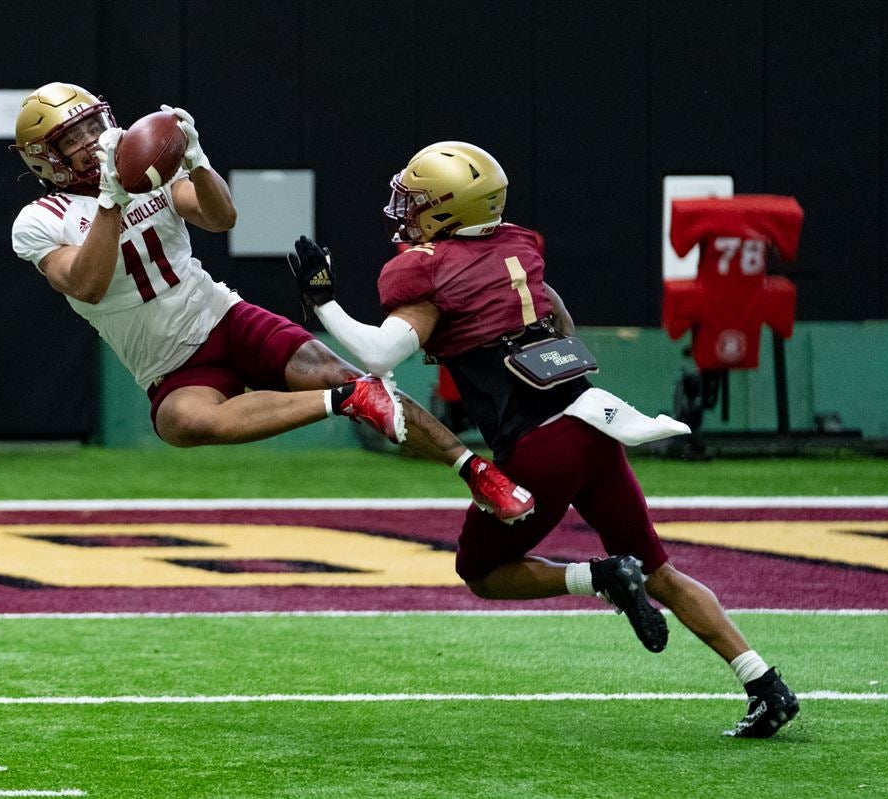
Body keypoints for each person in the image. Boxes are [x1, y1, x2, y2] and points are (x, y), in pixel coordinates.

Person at [288, 141, 799, 738]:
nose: (405, 211)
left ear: (448, 208)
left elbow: (380, 353)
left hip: (540, 444)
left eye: (418, 201)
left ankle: (599, 577)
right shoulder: (517, 246)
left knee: (479, 571)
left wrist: (321, 301)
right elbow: (556, 312)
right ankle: (765, 683)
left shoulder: (429, 268)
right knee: (660, 569)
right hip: (592, 422)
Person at [8, 84, 532, 522]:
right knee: (180, 424)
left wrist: (197, 162)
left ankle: (478, 472)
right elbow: (88, 284)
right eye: (71, 138)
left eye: (92, 124)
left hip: (220, 315)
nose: (91, 140)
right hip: (165, 361)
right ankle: (342, 401)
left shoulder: (146, 173)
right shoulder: (38, 220)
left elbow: (220, 217)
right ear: (43, 157)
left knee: (343, 372)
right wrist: (109, 202)